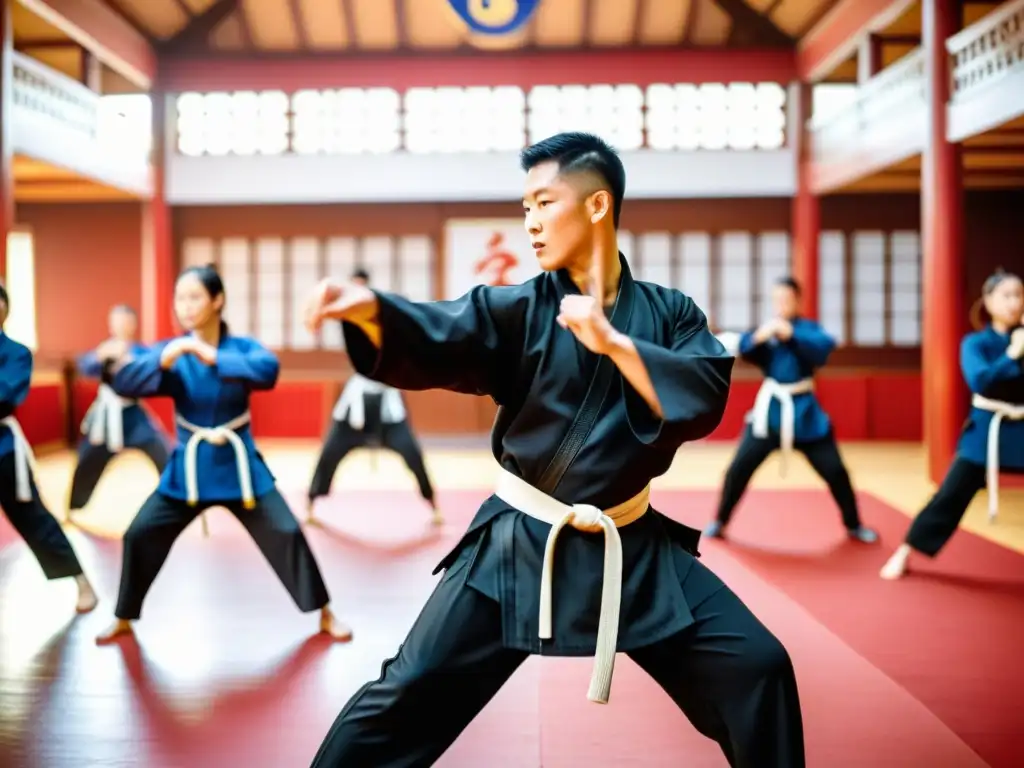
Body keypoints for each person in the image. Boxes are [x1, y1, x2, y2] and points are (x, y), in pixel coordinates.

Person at [305, 133, 805, 767]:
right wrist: (375, 314)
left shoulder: (672, 314)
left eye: (544, 203)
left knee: (759, 668)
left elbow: (702, 396)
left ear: (597, 206)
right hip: (519, 545)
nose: (531, 223)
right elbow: (446, 331)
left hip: (632, 549)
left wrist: (614, 344)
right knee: (406, 692)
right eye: (525, 209)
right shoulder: (518, 309)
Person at [94, 265, 351, 644]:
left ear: (218, 301)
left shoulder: (241, 348)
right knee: (140, 533)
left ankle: (324, 612)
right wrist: (167, 357)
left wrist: (210, 356)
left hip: (239, 466)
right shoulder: (171, 352)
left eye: (194, 297)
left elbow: (268, 371)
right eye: (179, 298)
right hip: (189, 469)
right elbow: (124, 380)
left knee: (287, 530)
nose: (185, 306)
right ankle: (123, 617)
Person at [703, 277, 879, 544]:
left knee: (835, 471)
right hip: (770, 415)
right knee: (738, 469)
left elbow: (822, 350)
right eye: (777, 300)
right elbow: (746, 349)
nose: (781, 305)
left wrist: (790, 334)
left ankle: (854, 524)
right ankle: (720, 520)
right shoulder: (768, 333)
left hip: (806, 414)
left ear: (798, 300)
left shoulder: (809, 330)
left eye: (786, 299)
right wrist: (761, 335)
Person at [881, 270, 1024, 580]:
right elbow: (980, 381)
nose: (1015, 303)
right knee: (951, 492)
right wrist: (1013, 353)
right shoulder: (975, 343)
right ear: (988, 301)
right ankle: (907, 548)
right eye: (1007, 295)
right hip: (988, 428)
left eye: (1019, 295)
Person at [307, 269, 441, 526]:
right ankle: (311, 504)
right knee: (329, 453)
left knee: (412, 453)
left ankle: (433, 504)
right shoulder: (347, 320)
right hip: (355, 406)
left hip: (387, 403)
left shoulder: (383, 318)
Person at [0, 282, 98, 614]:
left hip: (4, 454)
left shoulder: (15, 353)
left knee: (34, 519)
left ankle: (82, 581)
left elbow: (5, 395)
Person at [66, 305, 170, 521]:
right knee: (88, 458)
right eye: (117, 320)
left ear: (133, 324)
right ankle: (75, 507)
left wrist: (130, 358)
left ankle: (178, 500)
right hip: (106, 416)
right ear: (111, 324)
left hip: (133, 415)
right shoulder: (104, 350)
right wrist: (100, 356)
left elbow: (154, 365)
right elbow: (85, 366)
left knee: (163, 452)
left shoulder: (140, 351)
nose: (121, 325)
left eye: (125, 320)